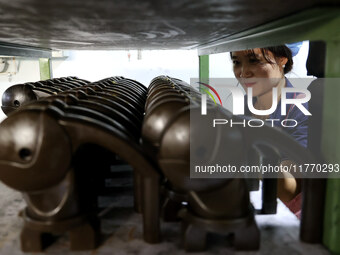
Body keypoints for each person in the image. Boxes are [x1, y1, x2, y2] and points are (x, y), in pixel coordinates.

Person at [230, 43, 307, 218]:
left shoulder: (300, 110)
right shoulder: (247, 104)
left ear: (282, 60)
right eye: (236, 62)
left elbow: (290, 189)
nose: (243, 72)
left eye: (254, 60)